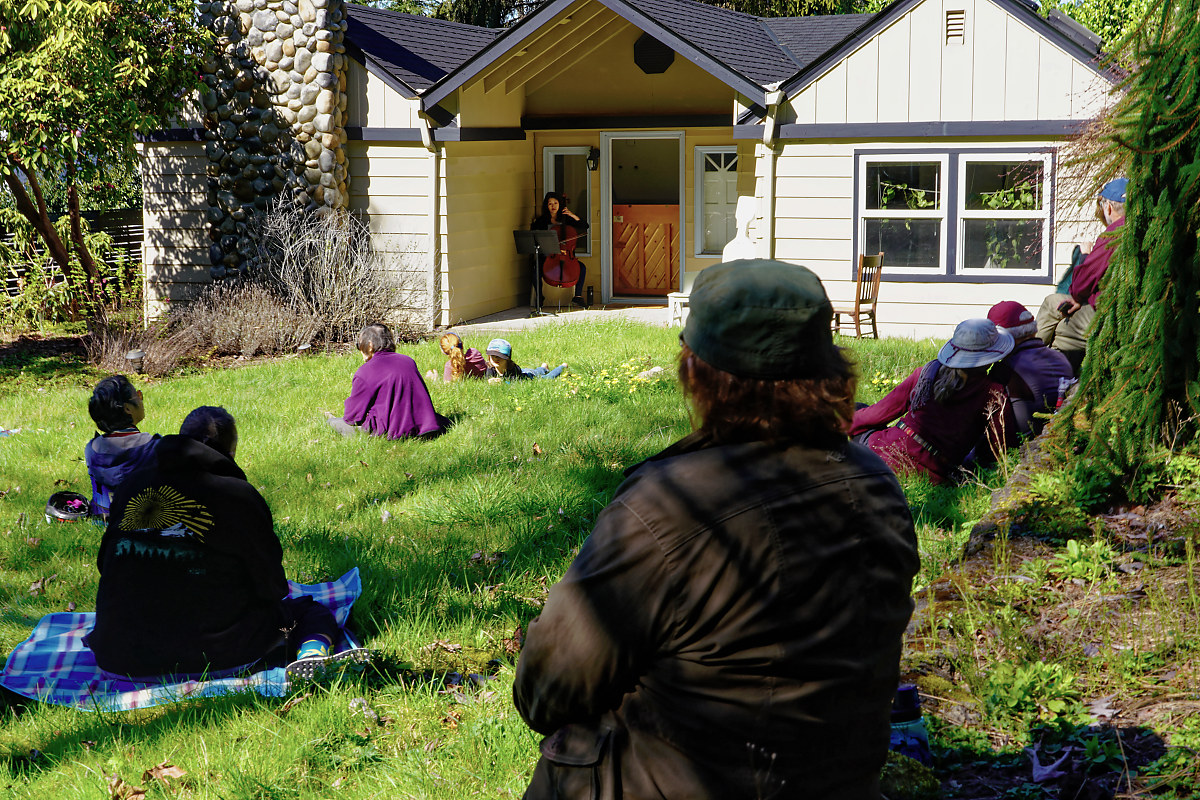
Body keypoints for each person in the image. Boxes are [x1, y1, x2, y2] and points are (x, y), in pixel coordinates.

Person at [514, 259, 920, 799]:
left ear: (698, 372)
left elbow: (547, 691)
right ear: (831, 370)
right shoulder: (874, 480)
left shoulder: (667, 507)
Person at [86, 407, 358, 680]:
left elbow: (104, 564)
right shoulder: (238, 496)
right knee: (308, 612)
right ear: (230, 452)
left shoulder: (131, 486)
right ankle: (312, 654)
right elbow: (272, 587)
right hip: (214, 654)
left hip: (118, 655)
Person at [849, 318, 1018, 484]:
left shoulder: (926, 373)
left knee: (858, 409)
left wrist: (842, 422)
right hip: (933, 472)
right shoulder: (994, 393)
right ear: (992, 356)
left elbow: (879, 412)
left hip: (883, 452)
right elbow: (1001, 445)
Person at [1035, 177, 1127, 370]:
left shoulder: (1113, 235)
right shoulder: (1140, 227)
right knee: (1055, 308)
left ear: (1109, 207)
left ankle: (1031, 363)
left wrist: (1085, 256)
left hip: (1108, 314)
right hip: (1109, 306)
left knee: (1060, 322)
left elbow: (1081, 283)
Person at [327, 323, 448, 439]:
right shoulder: (408, 361)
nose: (360, 349)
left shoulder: (365, 371)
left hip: (389, 431)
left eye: (359, 345)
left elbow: (352, 417)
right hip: (421, 427)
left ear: (370, 345)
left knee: (332, 422)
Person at [987, 300, 1074, 436]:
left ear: (1003, 336)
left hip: (1028, 441)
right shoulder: (1060, 357)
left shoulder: (1005, 368)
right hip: (1064, 432)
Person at [84, 375, 160, 519]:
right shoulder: (154, 445)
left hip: (104, 519)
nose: (141, 399)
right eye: (138, 395)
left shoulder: (92, 449)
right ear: (127, 408)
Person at [531, 191, 589, 309]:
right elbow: (534, 234)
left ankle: (577, 296)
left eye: (555, 203)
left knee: (582, 268)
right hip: (548, 256)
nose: (553, 206)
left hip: (567, 256)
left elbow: (585, 226)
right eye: (550, 204)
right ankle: (540, 297)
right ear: (546, 206)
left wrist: (572, 215)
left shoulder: (567, 219)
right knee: (536, 269)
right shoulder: (542, 221)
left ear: (560, 204)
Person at [483, 338, 566, 382]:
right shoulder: (490, 368)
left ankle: (562, 367)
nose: (495, 359)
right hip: (524, 370)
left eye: (499, 356)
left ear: (507, 359)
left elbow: (513, 383)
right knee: (537, 371)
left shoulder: (513, 369)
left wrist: (501, 382)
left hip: (529, 375)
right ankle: (543, 367)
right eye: (493, 356)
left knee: (547, 378)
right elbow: (488, 379)